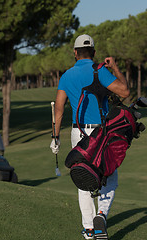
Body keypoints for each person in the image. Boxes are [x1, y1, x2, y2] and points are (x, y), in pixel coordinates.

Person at [50, 34, 129, 240]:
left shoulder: (66, 76)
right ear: (93, 53)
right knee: (109, 175)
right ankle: (101, 215)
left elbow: (58, 109)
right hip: (101, 133)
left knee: (82, 177)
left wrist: (55, 137)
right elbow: (125, 92)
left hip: (79, 133)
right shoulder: (99, 70)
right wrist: (115, 68)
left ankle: (88, 229)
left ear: (75, 53)